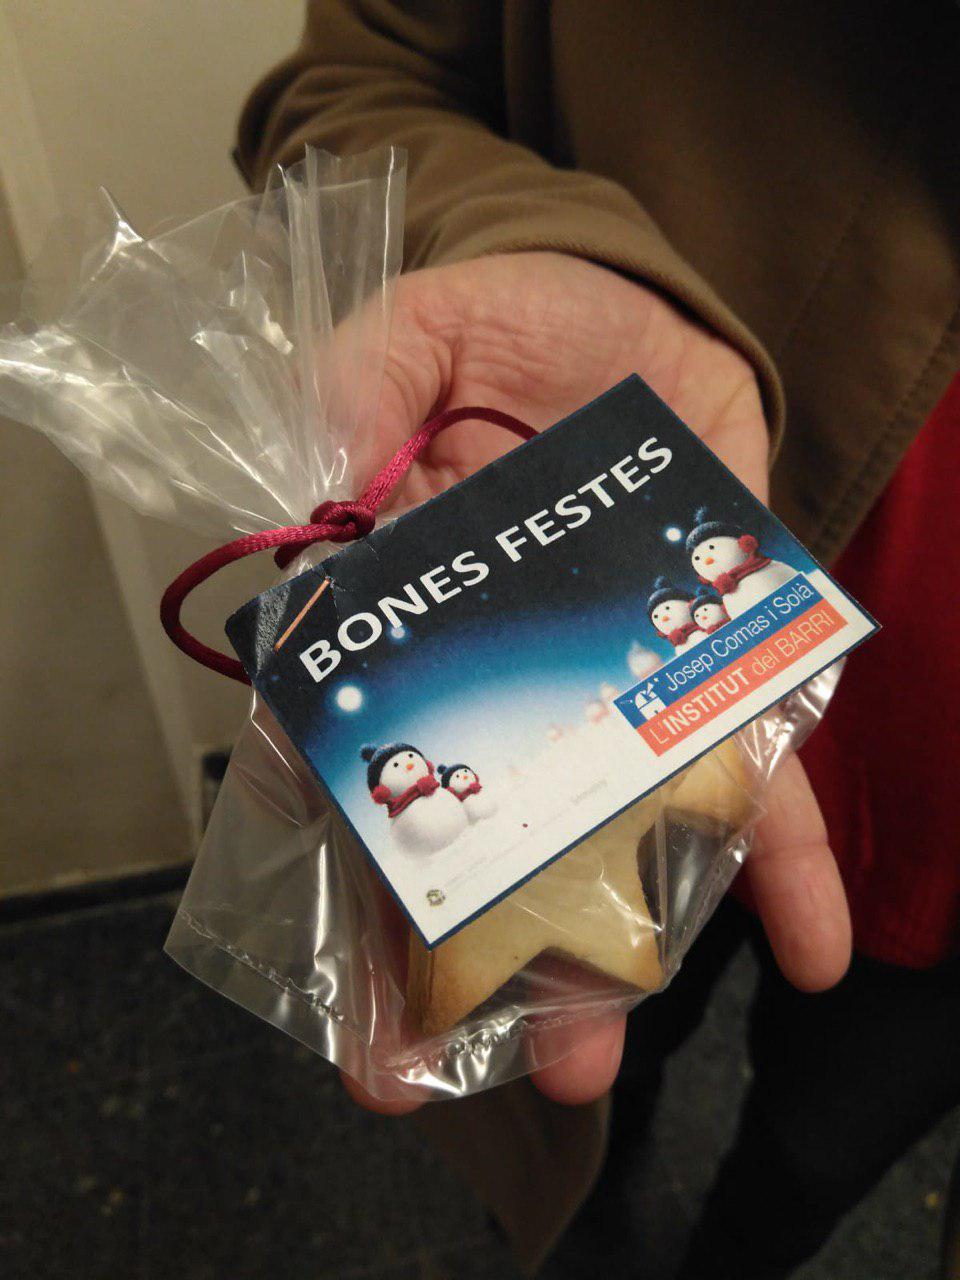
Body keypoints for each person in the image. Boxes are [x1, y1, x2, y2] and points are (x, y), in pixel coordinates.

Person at [234, 3, 960, 1275]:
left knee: (816, 1150)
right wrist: (531, 238)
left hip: (943, 847)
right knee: (591, 1076)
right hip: (659, 663)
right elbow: (350, 83)